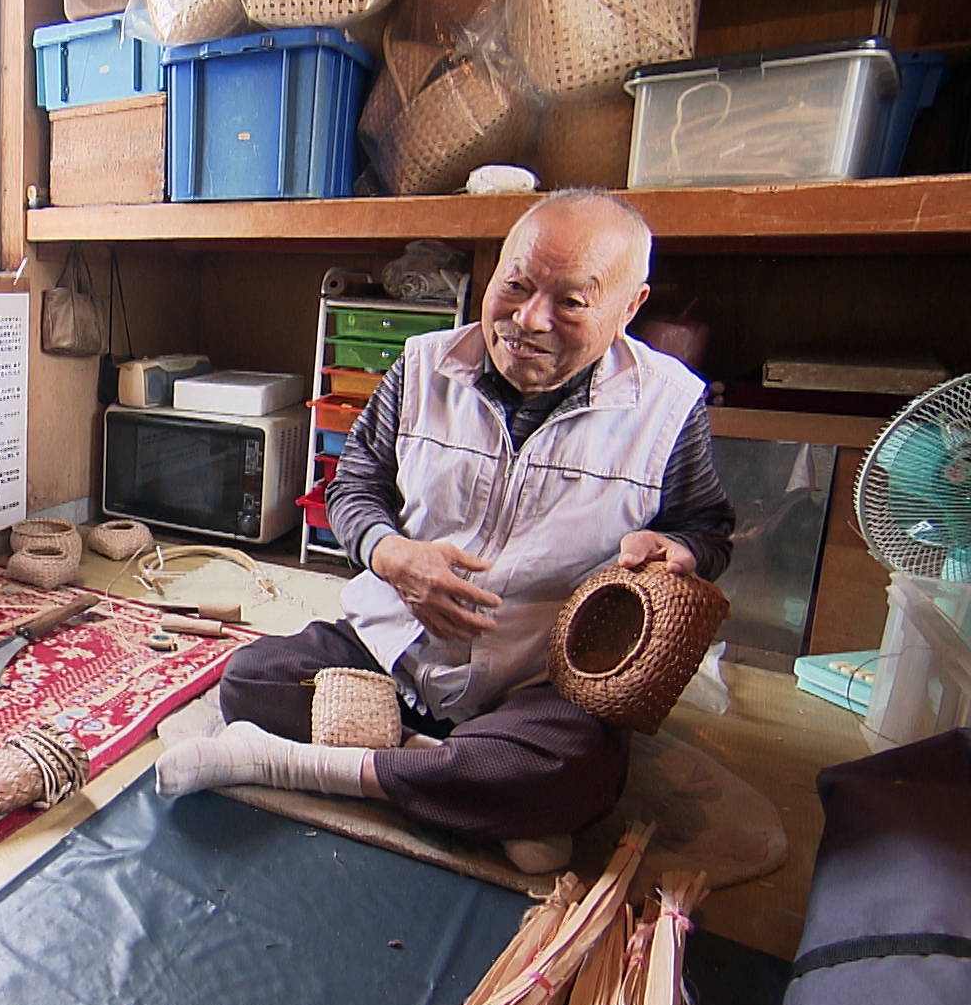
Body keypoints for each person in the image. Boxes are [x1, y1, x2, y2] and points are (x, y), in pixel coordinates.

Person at [154, 189, 734, 873]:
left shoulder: (667, 405)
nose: (529, 319)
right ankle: (466, 781)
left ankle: (302, 764)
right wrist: (390, 553)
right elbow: (353, 486)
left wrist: (679, 551)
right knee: (252, 680)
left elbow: (707, 527)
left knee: (579, 769)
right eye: (515, 284)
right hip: (396, 646)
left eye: (571, 302)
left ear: (630, 306)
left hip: (535, 677)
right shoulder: (424, 365)